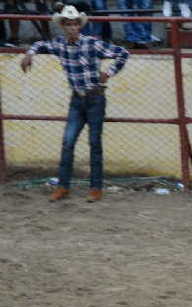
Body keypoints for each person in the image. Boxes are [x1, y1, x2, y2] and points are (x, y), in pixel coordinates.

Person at [21, 5, 129, 203]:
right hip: (77, 99)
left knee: (94, 144)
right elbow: (40, 44)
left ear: (79, 26)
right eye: (68, 24)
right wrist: (30, 53)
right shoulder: (59, 44)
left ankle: (95, 188)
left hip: (95, 98)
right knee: (68, 142)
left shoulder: (92, 44)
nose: (72, 27)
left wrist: (109, 72)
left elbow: (123, 53)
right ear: (63, 26)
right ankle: (63, 186)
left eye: (74, 24)